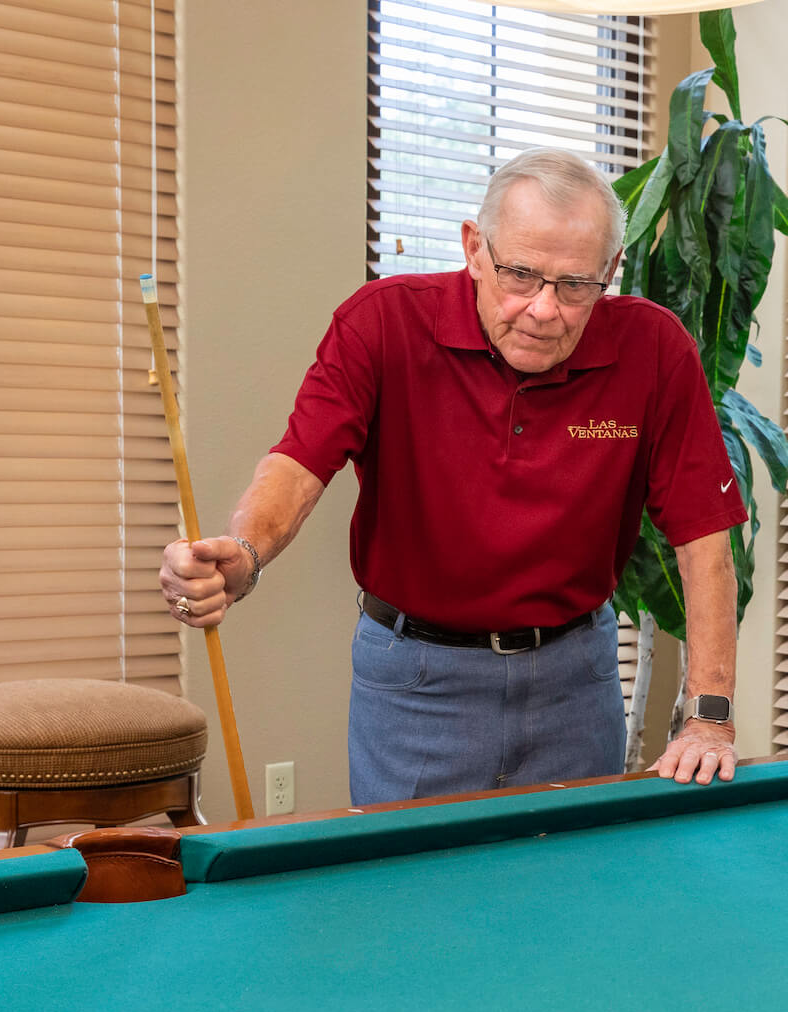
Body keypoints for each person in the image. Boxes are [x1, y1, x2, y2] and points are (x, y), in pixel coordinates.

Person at [158, 149, 748, 803]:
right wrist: (245, 553)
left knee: (571, 891)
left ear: (610, 270)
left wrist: (709, 716)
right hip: (416, 683)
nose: (543, 309)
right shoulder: (381, 323)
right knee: (408, 895)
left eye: (575, 285)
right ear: (474, 249)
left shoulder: (656, 350)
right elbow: (299, 463)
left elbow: (705, 541)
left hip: (575, 684)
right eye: (520, 275)